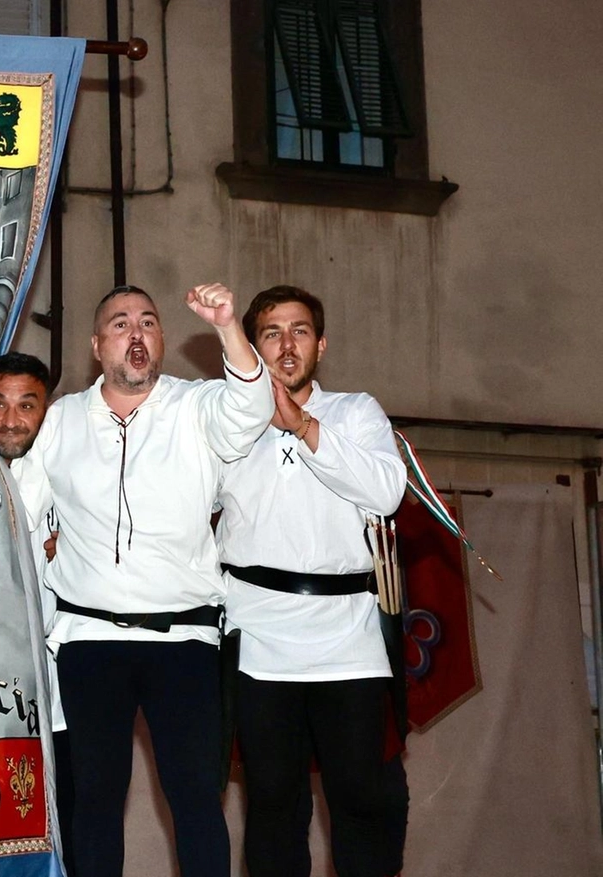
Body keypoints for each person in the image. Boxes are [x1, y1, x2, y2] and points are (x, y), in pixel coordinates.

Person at [31, 283, 275, 877]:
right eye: (120, 323)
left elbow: (253, 407)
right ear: (96, 346)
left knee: (196, 801)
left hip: (184, 643)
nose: (135, 333)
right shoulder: (62, 418)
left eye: (147, 322)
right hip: (88, 642)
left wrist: (225, 325)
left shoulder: (197, 406)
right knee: (92, 804)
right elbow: (19, 508)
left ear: (162, 340)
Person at [216, 285, 409, 877]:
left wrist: (303, 425)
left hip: (348, 638)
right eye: (271, 333)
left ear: (320, 345)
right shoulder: (224, 421)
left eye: (299, 330)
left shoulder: (356, 412)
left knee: (363, 800)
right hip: (258, 638)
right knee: (273, 805)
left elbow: (386, 493)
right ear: (253, 347)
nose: (286, 344)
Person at [0, 351, 73, 877]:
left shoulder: (73, 477)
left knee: (73, 814)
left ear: (48, 411)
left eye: (27, 406)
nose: (11, 420)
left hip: (59, 680)